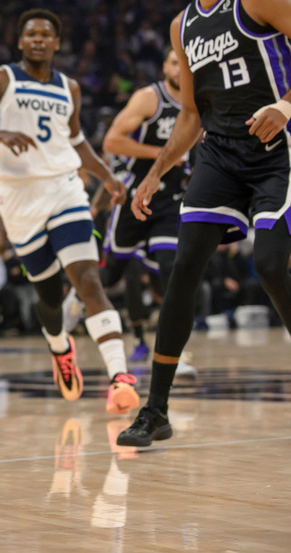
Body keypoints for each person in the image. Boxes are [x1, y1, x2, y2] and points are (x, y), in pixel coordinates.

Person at [117, 0, 291, 447]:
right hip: (218, 154)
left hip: (276, 151)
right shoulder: (183, 26)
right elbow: (192, 113)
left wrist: (287, 105)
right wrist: (155, 173)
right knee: (183, 270)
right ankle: (156, 411)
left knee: (268, 265)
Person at [0, 7, 138, 415]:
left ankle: (120, 377)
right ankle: (59, 347)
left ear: (56, 43)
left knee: (88, 280)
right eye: (30, 33)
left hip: (65, 189)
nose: (37, 39)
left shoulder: (70, 87)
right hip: (18, 200)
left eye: (45, 34)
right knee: (48, 298)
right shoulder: (0, 79)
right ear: (19, 41)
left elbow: (78, 141)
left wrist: (106, 177)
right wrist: (1, 133)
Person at [101, 47, 192, 360]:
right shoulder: (148, 98)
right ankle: (78, 299)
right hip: (135, 193)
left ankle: (170, 351)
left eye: (184, 63)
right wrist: (163, 154)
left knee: (171, 269)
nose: (179, 68)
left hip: (172, 199)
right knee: (115, 272)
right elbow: (111, 142)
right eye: (172, 62)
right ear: (163, 67)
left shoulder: (200, 103)